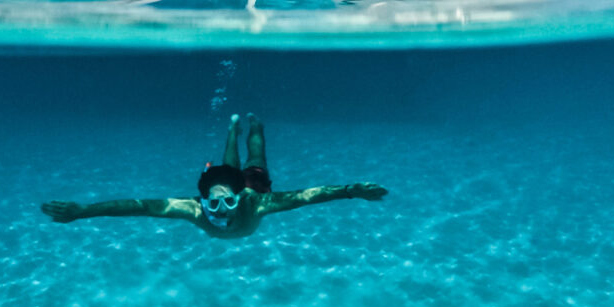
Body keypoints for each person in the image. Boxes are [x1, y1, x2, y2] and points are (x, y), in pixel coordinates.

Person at [41, 114, 387, 240]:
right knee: (228, 163)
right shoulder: (192, 210)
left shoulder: (257, 204)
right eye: (213, 201)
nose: (221, 209)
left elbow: (306, 196)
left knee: (255, 158)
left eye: (227, 200)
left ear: (239, 199)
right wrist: (82, 211)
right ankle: (233, 126)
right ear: (201, 200)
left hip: (252, 183)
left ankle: (253, 125)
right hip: (235, 181)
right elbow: (136, 206)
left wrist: (349, 190)